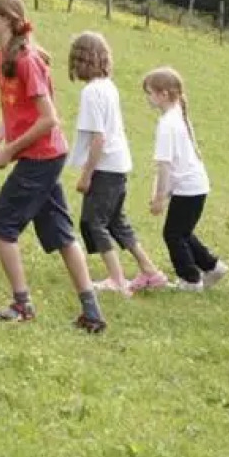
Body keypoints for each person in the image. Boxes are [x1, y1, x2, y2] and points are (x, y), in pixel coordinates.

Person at [0, 0, 106, 333]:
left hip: (42, 157)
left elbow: (49, 119)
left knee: (0, 226)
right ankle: (92, 314)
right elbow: (14, 109)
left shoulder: (27, 61)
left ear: (7, 18)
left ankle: (22, 305)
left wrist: (10, 151)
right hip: (41, 155)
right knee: (62, 234)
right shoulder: (0, 58)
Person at [67, 31, 167, 294]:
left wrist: (86, 175)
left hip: (105, 167)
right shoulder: (108, 87)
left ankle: (117, 279)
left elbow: (99, 138)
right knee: (115, 221)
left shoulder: (91, 93)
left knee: (93, 221)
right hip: (119, 165)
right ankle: (150, 271)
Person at [143, 67, 229, 292]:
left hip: (188, 188)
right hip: (196, 186)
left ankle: (190, 279)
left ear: (163, 94)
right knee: (182, 232)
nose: (148, 98)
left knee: (172, 234)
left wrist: (159, 197)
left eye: (150, 93)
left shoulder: (167, 124)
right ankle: (212, 267)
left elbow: (165, 166)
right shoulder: (176, 117)